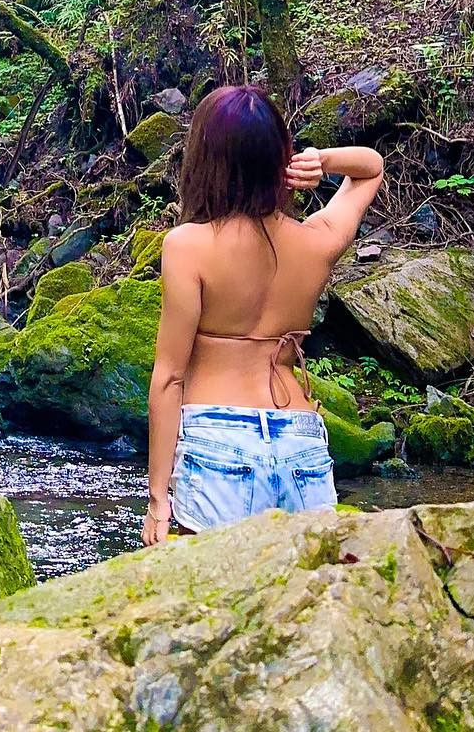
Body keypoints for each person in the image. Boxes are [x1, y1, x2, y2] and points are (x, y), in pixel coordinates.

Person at [141, 83, 385, 545]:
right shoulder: (317, 241)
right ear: (281, 159)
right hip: (301, 440)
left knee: (216, 604)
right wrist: (323, 161)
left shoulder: (187, 247)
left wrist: (158, 501)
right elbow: (371, 170)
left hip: (218, 441)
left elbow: (169, 378)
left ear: (205, 160)